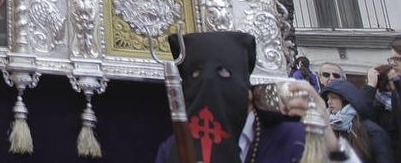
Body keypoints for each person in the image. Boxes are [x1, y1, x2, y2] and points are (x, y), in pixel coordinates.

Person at [154, 31, 362, 163]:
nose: (209, 86)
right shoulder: (174, 148)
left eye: (223, 74)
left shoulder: (293, 138)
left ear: (246, 87)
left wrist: (329, 140)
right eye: (196, 76)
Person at [321, 79, 395, 163]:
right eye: (328, 98)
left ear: (346, 99)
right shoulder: (326, 127)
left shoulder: (371, 130)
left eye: (333, 98)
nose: (329, 102)